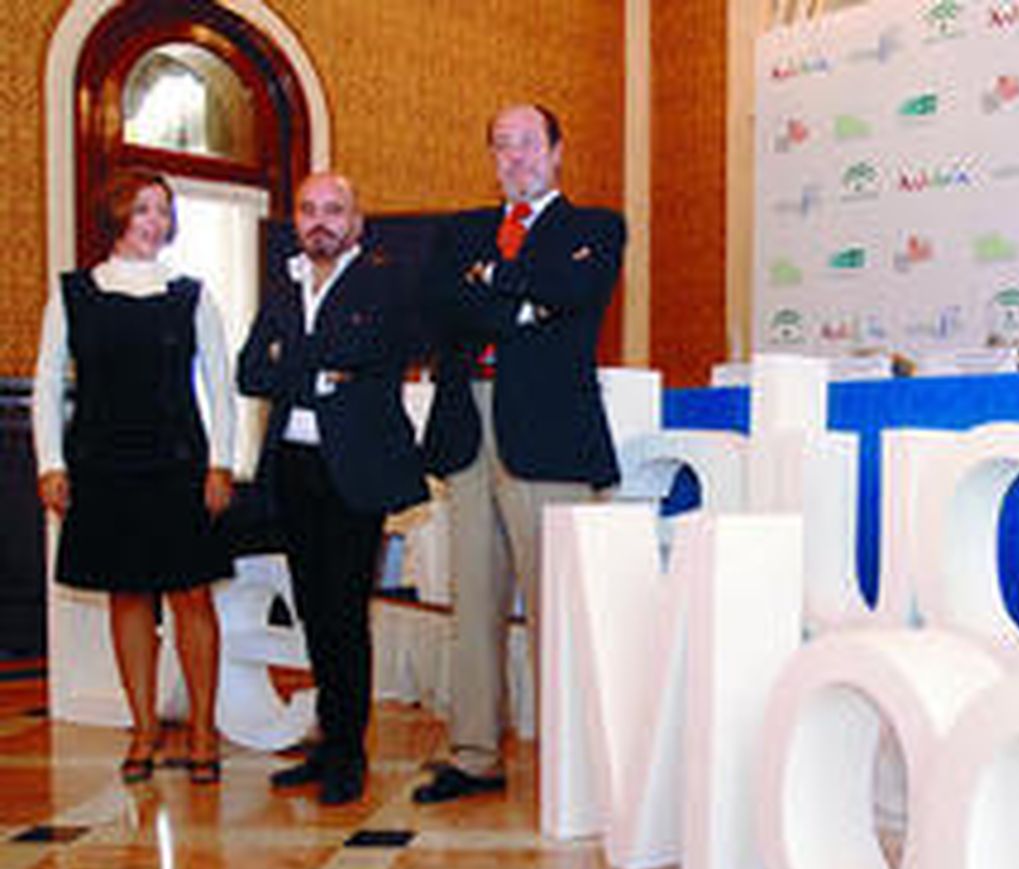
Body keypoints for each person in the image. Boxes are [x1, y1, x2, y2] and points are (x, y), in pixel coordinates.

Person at [416, 102, 627, 803]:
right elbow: (441, 306)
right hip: (467, 426)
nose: (515, 158)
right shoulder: (461, 232)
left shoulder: (595, 227)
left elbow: (577, 291)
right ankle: (474, 755)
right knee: (472, 602)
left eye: (528, 144)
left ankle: (574, 760)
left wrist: (494, 285)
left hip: (548, 434)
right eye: (501, 145)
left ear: (558, 151)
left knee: (554, 606)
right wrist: (525, 309)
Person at [32, 170, 235, 784]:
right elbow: (46, 384)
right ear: (116, 214)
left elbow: (220, 388)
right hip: (103, 464)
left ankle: (203, 728)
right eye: (144, 210)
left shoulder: (192, 294)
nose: (157, 222)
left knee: (192, 596)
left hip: (179, 464)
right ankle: (143, 728)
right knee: (128, 595)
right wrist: (50, 462)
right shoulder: (72, 294)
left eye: (164, 211)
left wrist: (221, 461)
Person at [238, 173, 429, 806]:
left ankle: (349, 751)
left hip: (355, 469)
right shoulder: (284, 283)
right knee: (313, 609)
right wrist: (323, 373)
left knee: (346, 613)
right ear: (296, 218)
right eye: (309, 209)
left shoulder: (384, 283)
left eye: (334, 210)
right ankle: (327, 741)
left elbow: (375, 361)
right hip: (292, 467)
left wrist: (300, 367)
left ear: (357, 220)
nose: (320, 220)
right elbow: (249, 371)